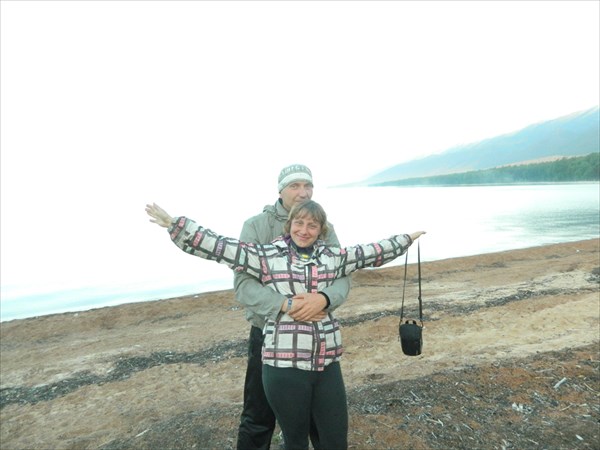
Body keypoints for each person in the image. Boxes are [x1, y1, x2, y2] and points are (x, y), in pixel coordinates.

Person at [145, 199, 425, 450]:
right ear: (289, 224)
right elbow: (220, 247)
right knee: (295, 442)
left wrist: (406, 239)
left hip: (326, 364)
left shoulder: (333, 257)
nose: (304, 230)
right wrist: (175, 225)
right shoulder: (266, 256)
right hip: (283, 366)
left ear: (321, 230)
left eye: (312, 225)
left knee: (335, 441)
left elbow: (371, 253)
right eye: (299, 223)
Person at [233, 164, 351, 450]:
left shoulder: (323, 226)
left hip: (317, 337)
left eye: (307, 186)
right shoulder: (256, 226)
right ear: (280, 190)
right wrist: (285, 305)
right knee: (258, 414)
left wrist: (324, 299)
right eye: (294, 186)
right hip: (269, 334)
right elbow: (243, 285)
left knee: (320, 420)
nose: (303, 192)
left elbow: (342, 274)